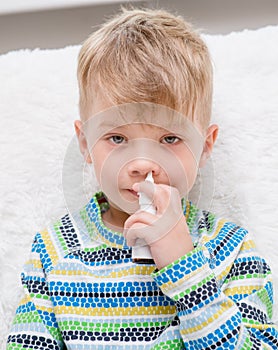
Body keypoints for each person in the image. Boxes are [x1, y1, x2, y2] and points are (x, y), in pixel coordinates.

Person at [6, 7, 278, 350]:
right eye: (117, 139)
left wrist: (185, 266)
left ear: (205, 146)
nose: (143, 164)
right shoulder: (54, 250)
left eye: (170, 139)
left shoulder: (230, 249)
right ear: (86, 144)